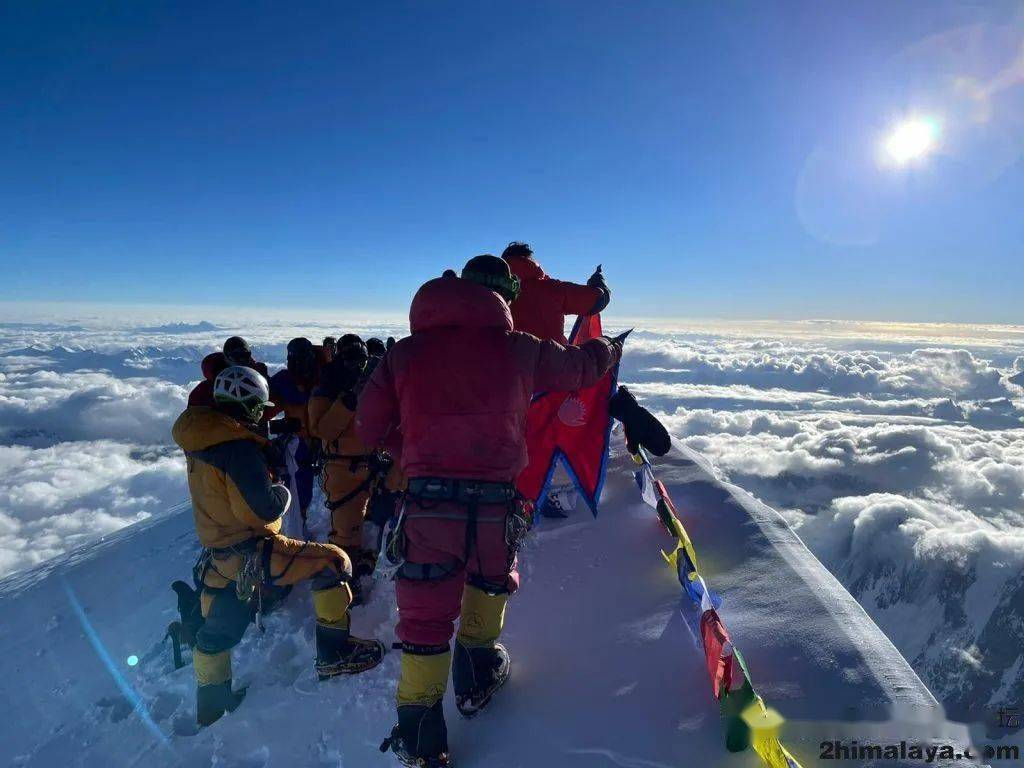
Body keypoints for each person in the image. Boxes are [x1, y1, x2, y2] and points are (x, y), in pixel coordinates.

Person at [357, 255, 623, 767]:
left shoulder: (404, 355)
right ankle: (476, 679)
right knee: (489, 583)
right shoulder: (517, 348)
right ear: (502, 298)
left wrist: (413, 453)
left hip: (430, 503)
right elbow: (578, 369)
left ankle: (419, 737)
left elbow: (368, 427)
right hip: (496, 501)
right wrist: (606, 348)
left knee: (426, 615)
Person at [171, 366, 384, 727]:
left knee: (215, 633)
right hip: (250, 550)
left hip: (217, 555)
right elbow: (260, 510)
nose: (261, 414)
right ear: (248, 404)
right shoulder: (238, 451)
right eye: (258, 408)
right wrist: (281, 494)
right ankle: (335, 654)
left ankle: (212, 704)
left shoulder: (202, 438)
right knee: (334, 562)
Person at [308, 335, 404, 603]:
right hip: (342, 469)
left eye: (360, 360)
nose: (356, 365)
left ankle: (364, 561)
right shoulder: (326, 389)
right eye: (350, 358)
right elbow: (324, 429)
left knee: (377, 519)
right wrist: (351, 397)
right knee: (346, 530)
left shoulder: (371, 388)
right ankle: (341, 585)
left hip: (373, 464)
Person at [500, 241, 610, 345]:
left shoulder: (489, 292)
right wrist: (598, 281)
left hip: (500, 362)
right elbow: (597, 300)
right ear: (530, 261)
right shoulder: (551, 289)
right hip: (550, 361)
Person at [269, 338, 323, 535]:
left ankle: (301, 524)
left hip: (316, 439)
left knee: (302, 485)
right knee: (300, 486)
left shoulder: (320, 377)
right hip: (301, 442)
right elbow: (267, 407)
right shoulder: (285, 381)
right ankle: (301, 523)